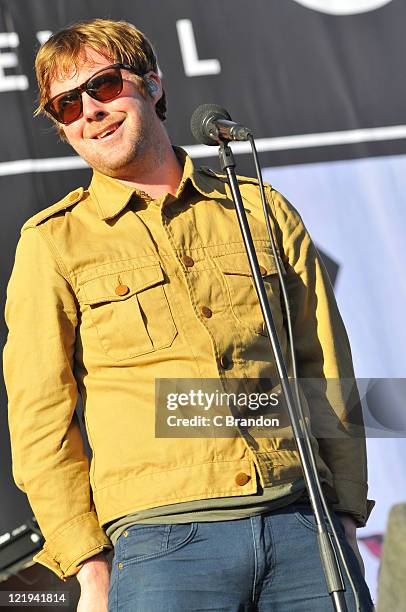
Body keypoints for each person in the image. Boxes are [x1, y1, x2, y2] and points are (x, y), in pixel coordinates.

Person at [3, 18, 374, 612]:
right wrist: (88, 565)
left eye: (101, 87)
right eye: (66, 105)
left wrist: (348, 509)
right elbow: (40, 420)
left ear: (151, 84)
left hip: (304, 522)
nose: (89, 112)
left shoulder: (259, 209)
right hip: (162, 545)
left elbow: (324, 361)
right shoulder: (53, 242)